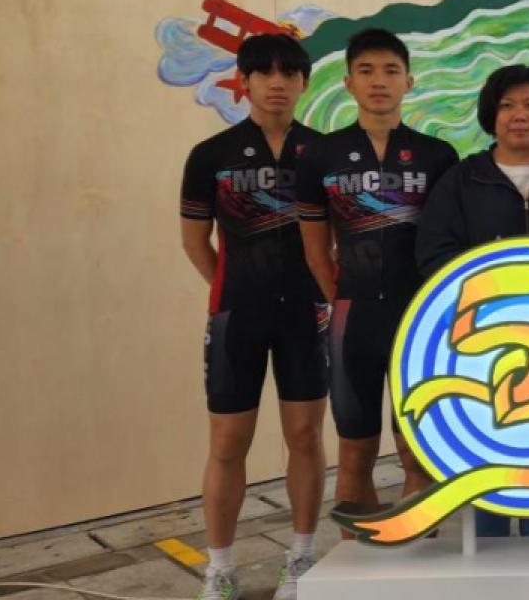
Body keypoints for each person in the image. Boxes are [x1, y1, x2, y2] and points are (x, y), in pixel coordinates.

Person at [179, 33, 327, 600]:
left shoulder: (324, 152)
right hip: (237, 315)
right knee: (226, 443)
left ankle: (302, 558)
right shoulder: (211, 155)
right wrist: (234, 288)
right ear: (243, 82)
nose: (276, 83)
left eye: (288, 73)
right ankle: (219, 568)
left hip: (307, 316)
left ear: (304, 83)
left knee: (305, 436)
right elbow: (195, 242)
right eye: (264, 73)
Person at [295, 29, 457, 533]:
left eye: (390, 71)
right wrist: (342, 300)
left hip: (419, 320)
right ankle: (356, 563)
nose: (378, 81)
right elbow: (315, 249)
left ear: (409, 81)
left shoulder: (437, 156)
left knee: (416, 452)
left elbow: (448, 244)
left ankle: (419, 556)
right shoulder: (320, 156)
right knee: (354, 455)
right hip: (354, 319)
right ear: (348, 83)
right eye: (366, 71)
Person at [415, 64, 529, 537]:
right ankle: (488, 554)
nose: (519, 115)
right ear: (491, 115)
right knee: (488, 453)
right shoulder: (462, 180)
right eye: (507, 106)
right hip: (482, 344)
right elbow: (434, 255)